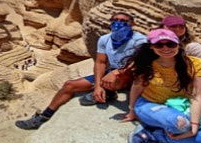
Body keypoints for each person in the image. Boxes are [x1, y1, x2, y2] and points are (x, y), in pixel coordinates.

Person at [15, 11, 147, 130]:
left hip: (134, 76)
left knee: (118, 78)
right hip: (112, 74)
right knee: (69, 85)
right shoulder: (105, 39)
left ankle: (109, 91)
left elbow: (141, 62)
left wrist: (117, 72)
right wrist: (97, 86)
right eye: (115, 20)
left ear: (132, 24)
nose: (119, 23)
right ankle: (43, 116)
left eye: (124, 21)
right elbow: (100, 63)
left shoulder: (139, 40)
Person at [121, 29, 201, 143]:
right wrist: (132, 110)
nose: (166, 48)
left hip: (181, 106)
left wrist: (194, 126)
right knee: (181, 123)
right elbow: (137, 87)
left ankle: (157, 135)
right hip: (150, 105)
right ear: (151, 47)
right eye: (159, 44)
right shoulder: (146, 63)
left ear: (179, 45)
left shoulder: (196, 64)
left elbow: (197, 97)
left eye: (170, 44)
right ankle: (152, 132)